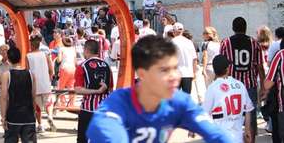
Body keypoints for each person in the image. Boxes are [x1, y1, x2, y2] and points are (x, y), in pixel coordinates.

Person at [86, 35, 233, 142]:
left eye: (175, 68)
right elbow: (102, 130)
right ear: (142, 74)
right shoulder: (117, 104)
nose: (174, 76)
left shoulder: (179, 102)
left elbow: (216, 135)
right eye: (164, 70)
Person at [220, 16, 264, 142]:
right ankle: (251, 140)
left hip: (231, 86)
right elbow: (260, 66)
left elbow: (222, 65)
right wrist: (263, 87)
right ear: (245, 28)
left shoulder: (226, 42)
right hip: (250, 84)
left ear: (233, 28)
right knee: (251, 116)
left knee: (232, 115)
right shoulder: (254, 43)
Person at [203, 55, 254, 143]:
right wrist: (247, 129)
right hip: (238, 137)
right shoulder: (240, 85)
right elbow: (248, 109)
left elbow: (204, 113)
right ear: (228, 69)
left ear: (214, 71)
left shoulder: (212, 88)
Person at [74, 39, 113, 143]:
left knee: (83, 139)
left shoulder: (82, 66)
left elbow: (78, 89)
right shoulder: (107, 66)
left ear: (86, 50)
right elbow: (111, 88)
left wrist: (96, 91)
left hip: (88, 109)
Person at [0, 46, 37, 143]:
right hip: (28, 115)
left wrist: (3, 117)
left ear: (9, 58)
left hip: (13, 115)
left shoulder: (6, 75)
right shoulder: (31, 74)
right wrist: (34, 112)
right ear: (20, 58)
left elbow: (4, 97)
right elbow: (33, 96)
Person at [26, 34, 56, 133]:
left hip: (34, 84)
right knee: (49, 102)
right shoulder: (45, 55)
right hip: (45, 82)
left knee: (37, 106)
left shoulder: (28, 56)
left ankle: (40, 125)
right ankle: (50, 116)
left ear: (31, 45)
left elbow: (27, 71)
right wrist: (49, 78)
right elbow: (51, 70)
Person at [171, 22, 198, 94]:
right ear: (182, 31)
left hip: (176, 73)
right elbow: (195, 59)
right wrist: (194, 72)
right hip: (188, 73)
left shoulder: (172, 42)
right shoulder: (189, 42)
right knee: (186, 97)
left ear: (174, 32)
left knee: (174, 98)